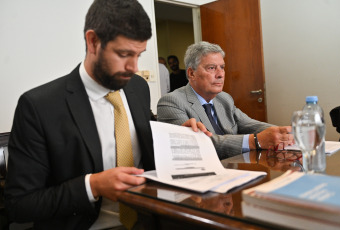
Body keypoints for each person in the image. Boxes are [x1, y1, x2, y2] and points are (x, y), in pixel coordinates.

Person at [4, 1, 210, 229]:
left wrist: (178, 136)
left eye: (139, 55)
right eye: (123, 54)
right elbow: (20, 204)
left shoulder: (137, 88)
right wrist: (92, 186)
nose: (133, 67)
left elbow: (147, 137)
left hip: (152, 218)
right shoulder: (39, 106)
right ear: (93, 42)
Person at [158, 41, 294, 159]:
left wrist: (284, 133)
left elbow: (248, 124)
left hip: (233, 167)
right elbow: (201, 144)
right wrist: (256, 141)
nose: (220, 74)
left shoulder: (223, 98)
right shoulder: (171, 102)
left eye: (222, 67)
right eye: (211, 68)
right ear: (191, 73)